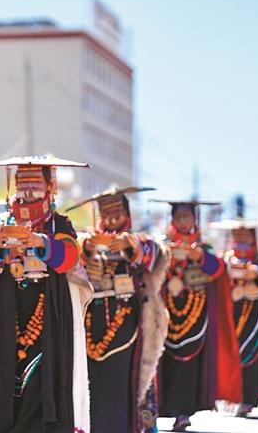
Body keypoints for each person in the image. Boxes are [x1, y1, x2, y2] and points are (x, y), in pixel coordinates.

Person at [0, 155, 92, 433]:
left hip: (49, 314)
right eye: (22, 186)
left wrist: (40, 242)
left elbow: (70, 258)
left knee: (44, 377)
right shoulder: (1, 223)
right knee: (3, 374)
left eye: (35, 186)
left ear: (50, 187)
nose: (27, 194)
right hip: (7, 313)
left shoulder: (59, 224)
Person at [67, 186, 169, 433]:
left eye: (117, 214)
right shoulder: (87, 239)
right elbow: (71, 258)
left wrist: (129, 245)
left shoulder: (137, 240)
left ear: (127, 214)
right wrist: (88, 246)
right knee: (93, 382)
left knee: (121, 381)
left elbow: (159, 255)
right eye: (107, 215)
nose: (112, 221)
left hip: (127, 323)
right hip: (91, 322)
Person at [152, 200, 241, 432]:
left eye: (187, 216)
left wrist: (199, 256)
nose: (183, 221)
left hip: (196, 316)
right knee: (164, 363)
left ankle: (183, 413)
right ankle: (161, 410)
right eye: (179, 216)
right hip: (167, 315)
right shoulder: (162, 245)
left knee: (189, 365)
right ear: (172, 219)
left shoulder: (204, 247)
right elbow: (150, 267)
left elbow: (219, 269)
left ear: (194, 219)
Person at [210, 219, 258, 416]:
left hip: (256, 315)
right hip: (231, 314)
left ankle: (248, 399)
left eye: (246, 234)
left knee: (252, 356)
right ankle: (230, 395)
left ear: (253, 237)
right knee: (230, 354)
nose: (242, 238)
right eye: (238, 234)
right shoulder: (226, 260)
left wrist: (256, 272)